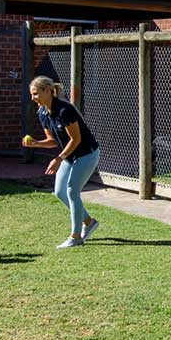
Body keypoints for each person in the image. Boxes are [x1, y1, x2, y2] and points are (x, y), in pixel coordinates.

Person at [27, 75, 102, 248]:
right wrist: (36, 143)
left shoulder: (64, 110)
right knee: (60, 192)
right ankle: (89, 222)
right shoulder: (42, 113)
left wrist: (58, 159)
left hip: (86, 153)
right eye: (32, 94)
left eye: (36, 94)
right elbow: (53, 140)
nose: (33, 98)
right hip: (69, 156)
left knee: (71, 191)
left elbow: (75, 139)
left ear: (47, 91)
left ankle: (76, 237)